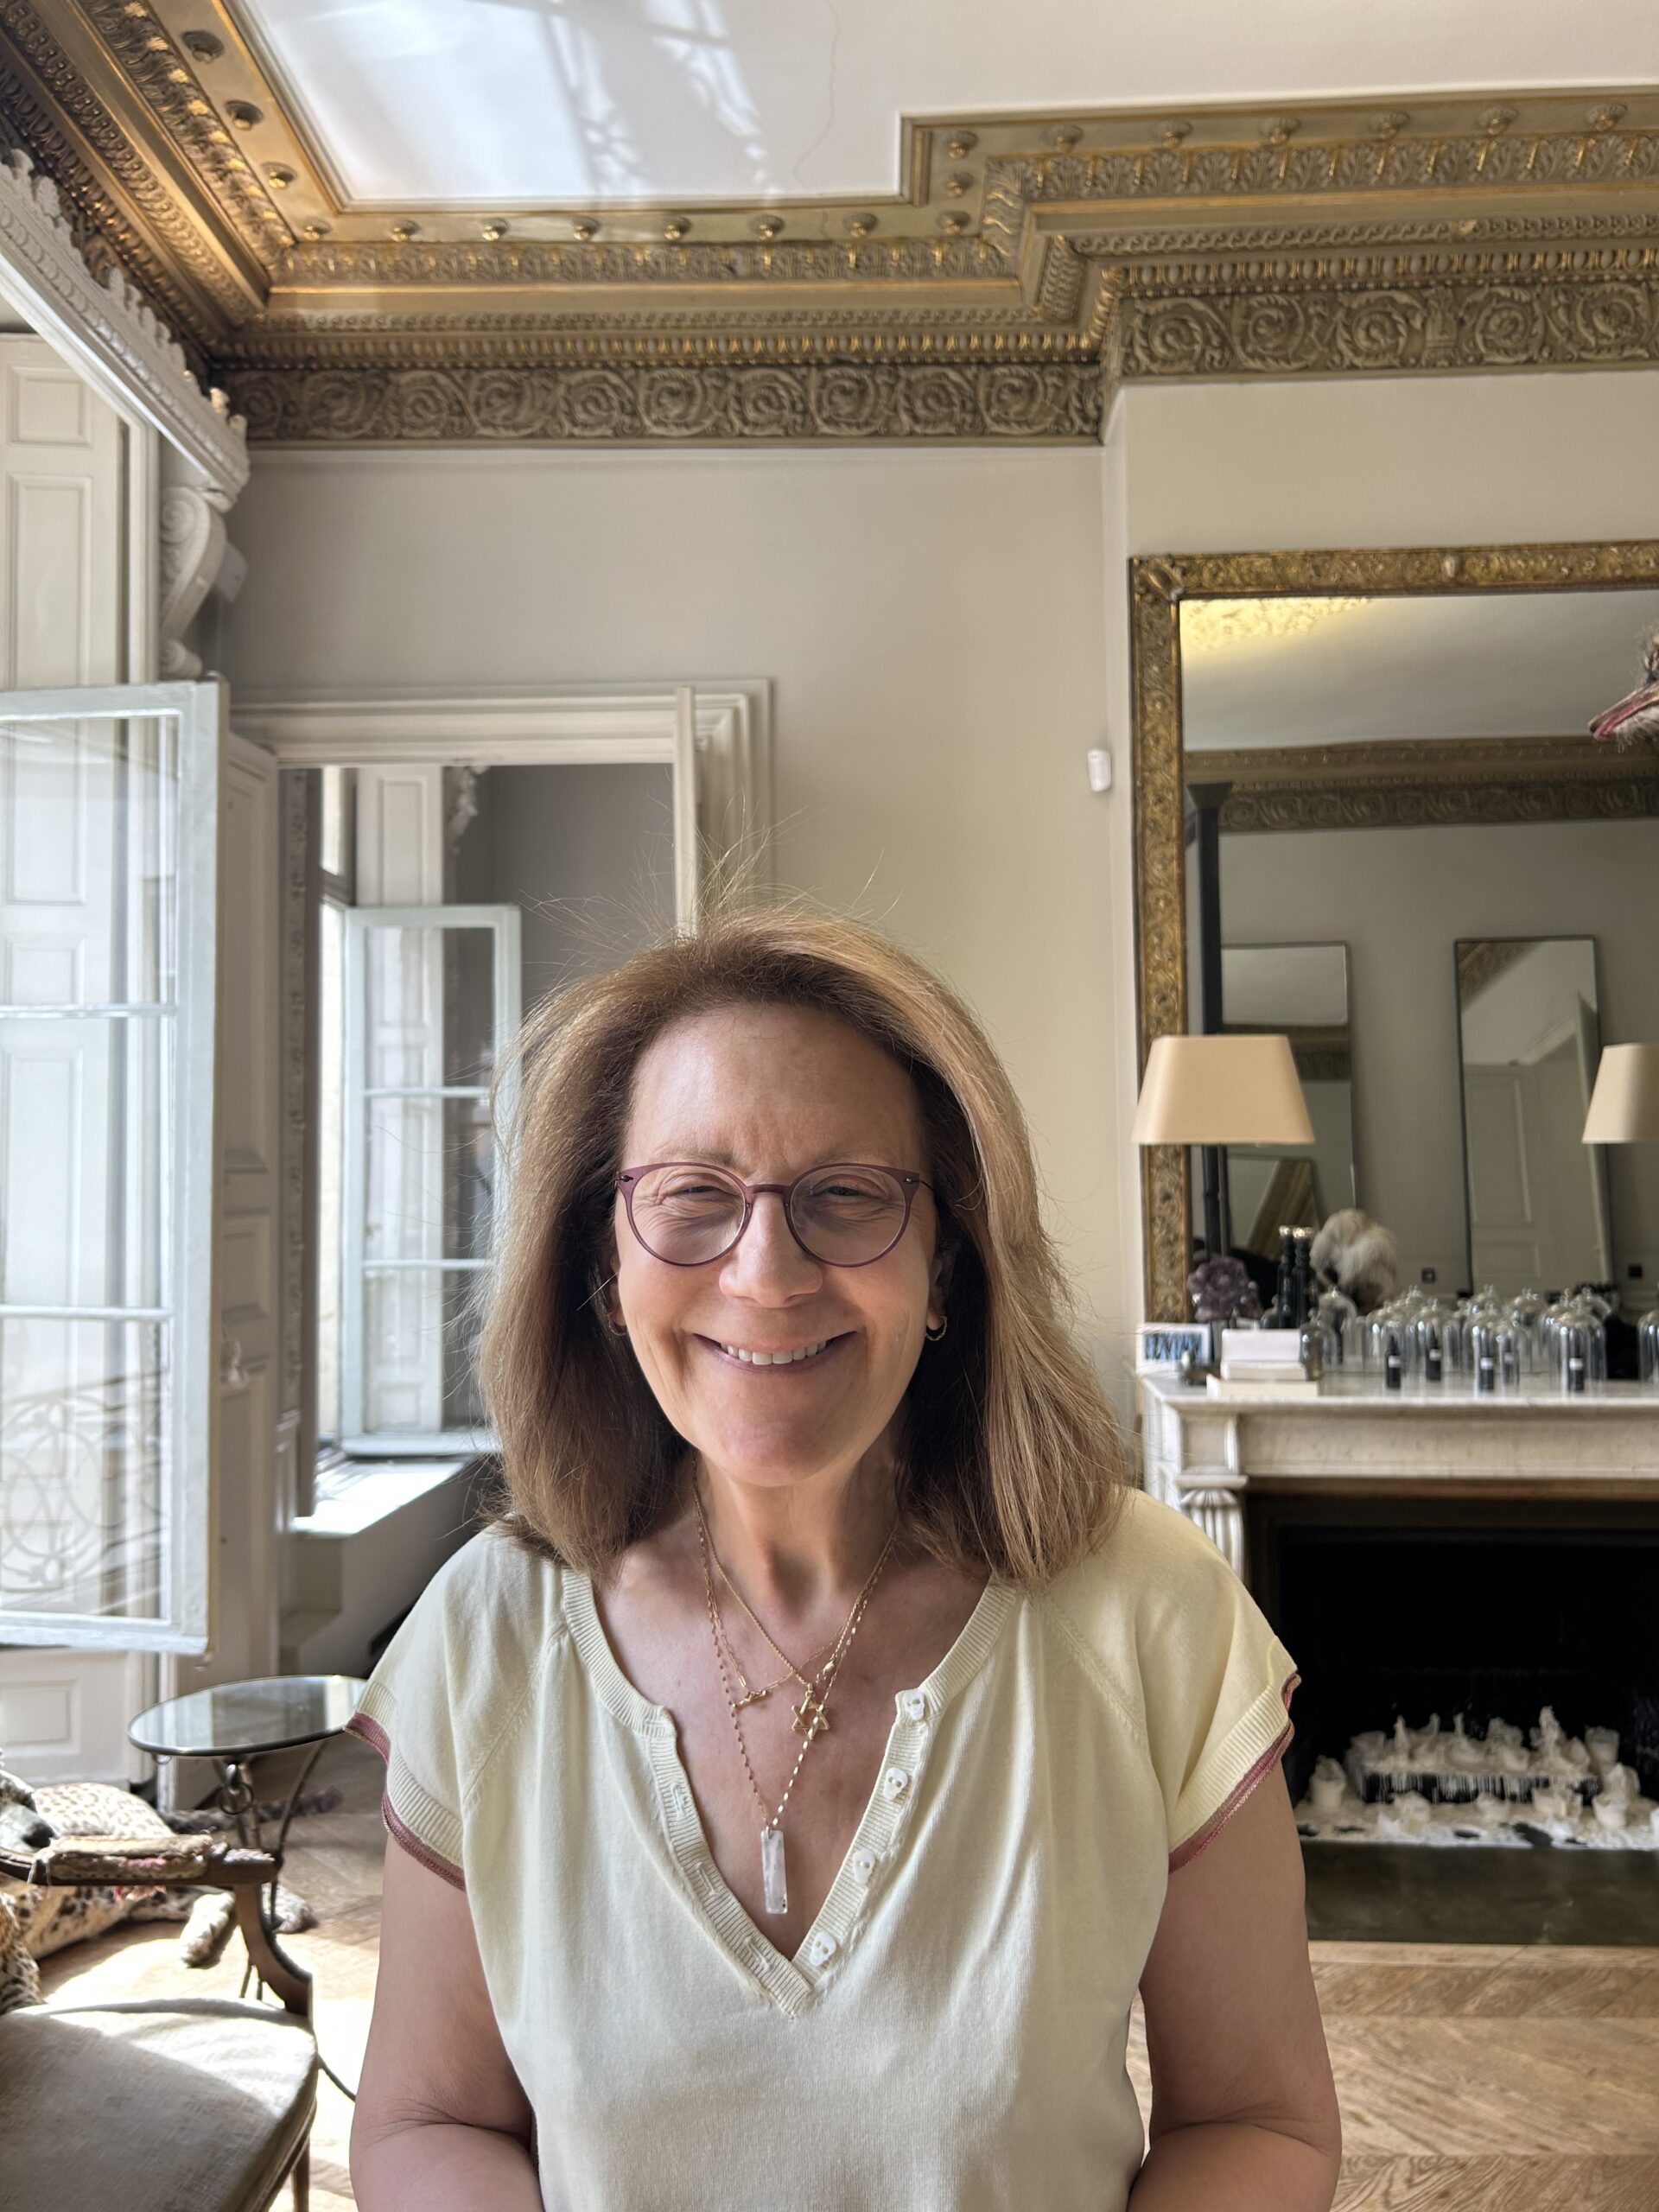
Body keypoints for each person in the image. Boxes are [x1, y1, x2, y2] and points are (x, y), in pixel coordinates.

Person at [346, 906, 1341, 2211]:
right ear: (604, 1264)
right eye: (693, 1197)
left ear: (948, 1270)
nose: (767, 1275)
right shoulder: (489, 1637)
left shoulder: (1148, 1613)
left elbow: (1257, 2121)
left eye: (847, 1196)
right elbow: (428, 2120)